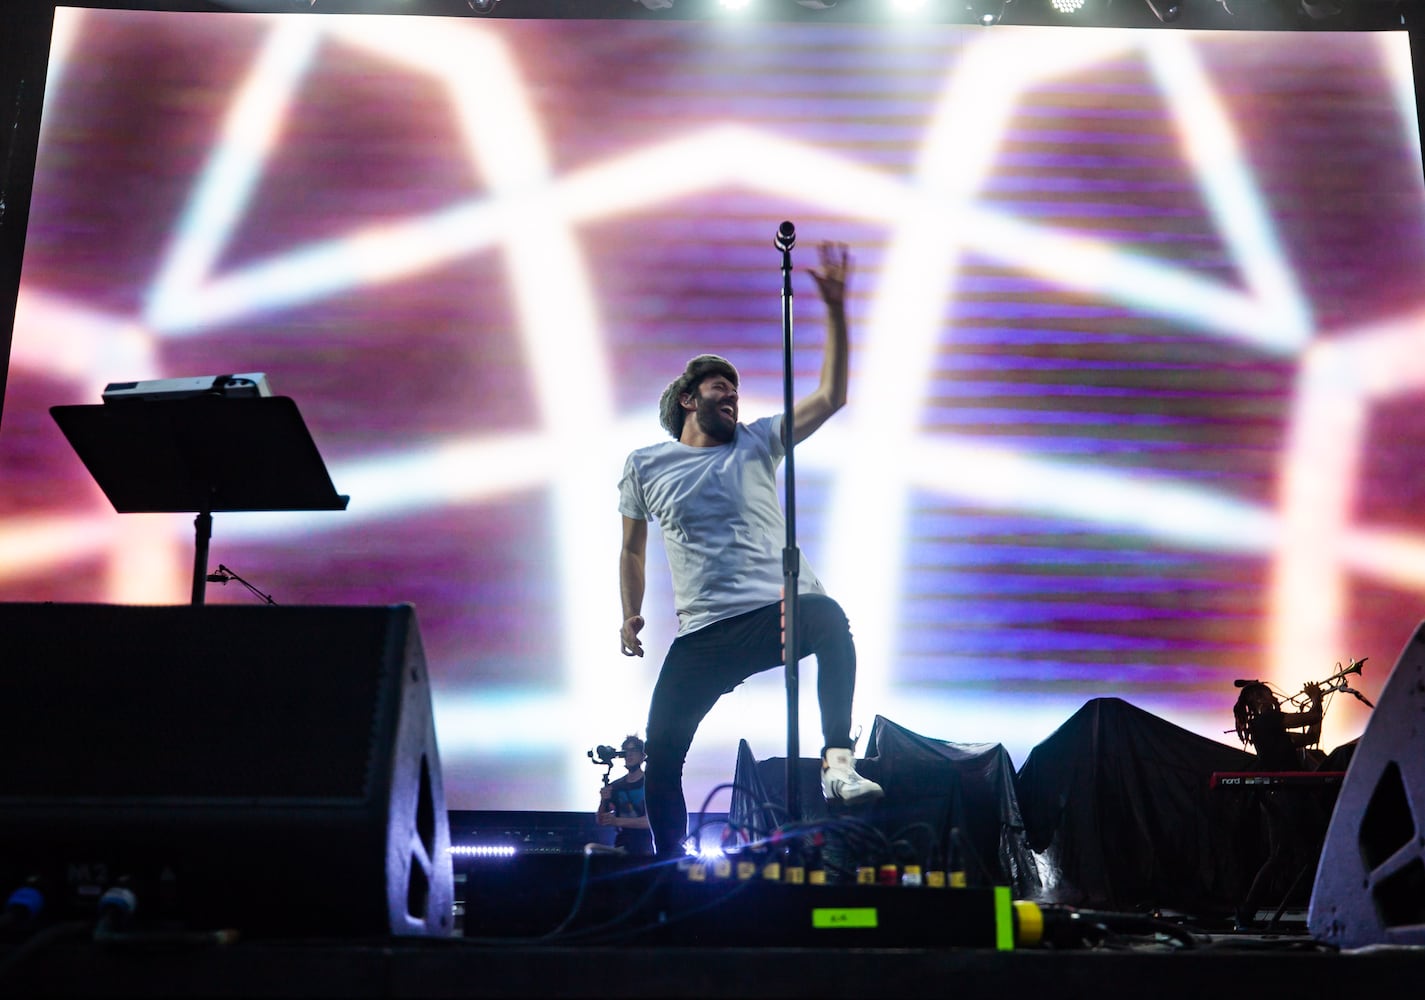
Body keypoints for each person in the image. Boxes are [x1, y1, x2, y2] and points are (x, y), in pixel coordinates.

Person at [617, 240, 883, 860]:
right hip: (703, 633)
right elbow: (631, 549)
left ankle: (837, 765)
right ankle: (669, 867)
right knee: (661, 760)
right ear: (689, 399)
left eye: (736, 389)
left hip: (774, 611)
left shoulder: (760, 442)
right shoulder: (646, 464)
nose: (732, 396)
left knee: (830, 619)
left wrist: (837, 311)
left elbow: (831, 396)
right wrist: (628, 610)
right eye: (719, 387)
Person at [1231, 681, 1325, 929]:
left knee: (1284, 855)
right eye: (1264, 692)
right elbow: (1312, 716)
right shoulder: (1268, 720)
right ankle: (1246, 914)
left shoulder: (1269, 726)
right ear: (1256, 699)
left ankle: (1246, 914)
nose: (1270, 695)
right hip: (1284, 794)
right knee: (1286, 853)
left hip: (1285, 793)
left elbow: (1312, 735)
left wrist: (1319, 702)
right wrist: (1316, 698)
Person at [595, 735, 654, 856]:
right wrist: (603, 801)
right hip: (621, 846)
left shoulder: (651, 784)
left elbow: (651, 822)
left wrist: (617, 821)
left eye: (634, 751)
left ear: (642, 756)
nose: (629, 754)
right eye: (626, 751)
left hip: (645, 847)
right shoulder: (616, 786)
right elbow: (601, 820)